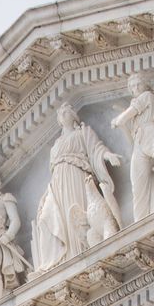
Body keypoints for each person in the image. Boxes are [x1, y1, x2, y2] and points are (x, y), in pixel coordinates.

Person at [34, 103, 123, 268]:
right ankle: (69, 255)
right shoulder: (56, 144)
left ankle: (83, 249)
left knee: (77, 207)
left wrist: (108, 155)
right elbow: (52, 173)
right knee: (53, 215)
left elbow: (96, 148)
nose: (62, 114)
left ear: (73, 115)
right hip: (58, 183)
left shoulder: (83, 132)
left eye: (66, 111)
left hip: (77, 175)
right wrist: (46, 194)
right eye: (60, 113)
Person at [111, 74, 154, 220]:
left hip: (152, 133)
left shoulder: (148, 96)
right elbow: (131, 137)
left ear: (146, 84)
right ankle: (140, 221)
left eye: (138, 84)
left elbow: (128, 114)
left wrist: (119, 119)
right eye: (132, 86)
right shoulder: (136, 112)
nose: (136, 88)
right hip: (139, 143)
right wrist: (122, 124)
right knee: (138, 184)